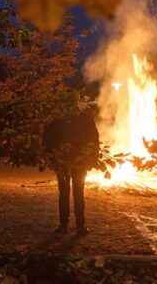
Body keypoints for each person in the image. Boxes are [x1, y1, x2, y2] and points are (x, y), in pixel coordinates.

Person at [42, 100, 100, 236]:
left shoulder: (56, 119)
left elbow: (47, 139)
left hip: (62, 162)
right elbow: (94, 139)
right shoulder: (85, 120)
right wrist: (92, 158)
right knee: (78, 193)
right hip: (80, 162)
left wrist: (52, 157)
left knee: (64, 194)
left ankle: (64, 226)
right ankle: (80, 226)